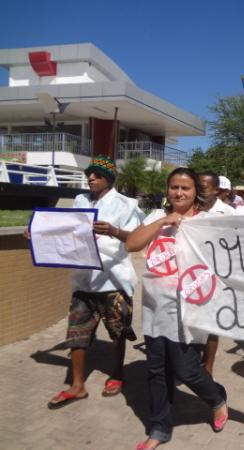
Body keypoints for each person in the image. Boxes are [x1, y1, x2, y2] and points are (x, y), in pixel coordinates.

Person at [126, 168, 229, 449]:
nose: (179, 193)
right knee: (156, 371)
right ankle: (159, 429)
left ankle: (217, 398)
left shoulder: (206, 222)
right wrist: (164, 222)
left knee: (186, 369)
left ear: (196, 191)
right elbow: (132, 243)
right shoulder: (157, 218)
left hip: (188, 310)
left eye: (185, 188)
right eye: (174, 187)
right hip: (155, 307)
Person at [46, 155, 145, 409]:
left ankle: (117, 374)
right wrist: (36, 233)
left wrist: (113, 231)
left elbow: (136, 238)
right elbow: (63, 229)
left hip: (113, 280)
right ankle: (77, 386)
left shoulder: (126, 204)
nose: (90, 178)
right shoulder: (80, 201)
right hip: (83, 280)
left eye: (97, 175)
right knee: (76, 334)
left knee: (117, 332)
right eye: (89, 174)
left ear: (109, 179)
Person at [196, 172, 236, 374]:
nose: (199, 189)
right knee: (192, 318)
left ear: (216, 190)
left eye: (203, 186)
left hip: (216, 275)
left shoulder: (227, 213)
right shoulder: (190, 210)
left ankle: (208, 365)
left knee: (211, 323)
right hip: (191, 273)